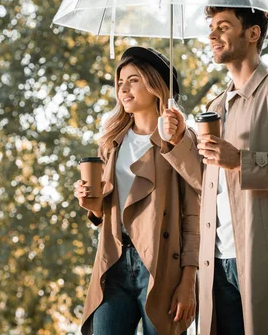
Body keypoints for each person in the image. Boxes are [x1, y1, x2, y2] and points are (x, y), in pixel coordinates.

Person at [161, 0, 268, 335]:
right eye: (211, 26)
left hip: (263, 259)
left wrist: (242, 161)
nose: (212, 35)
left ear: (252, 33)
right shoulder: (217, 106)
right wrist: (178, 140)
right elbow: (206, 180)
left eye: (223, 26)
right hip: (217, 260)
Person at [75, 46, 201, 335]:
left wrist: (188, 280)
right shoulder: (112, 142)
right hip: (114, 262)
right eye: (120, 83)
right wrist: (91, 205)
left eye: (132, 80)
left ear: (155, 84)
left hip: (161, 267)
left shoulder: (179, 138)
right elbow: (106, 212)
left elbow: (193, 213)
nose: (123, 88)